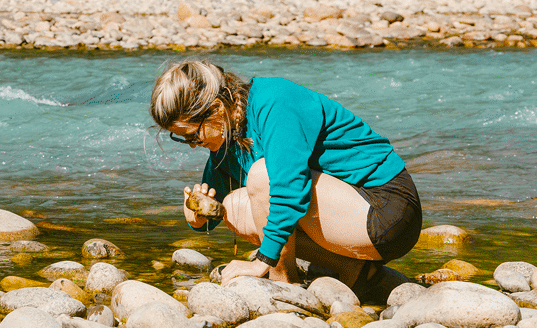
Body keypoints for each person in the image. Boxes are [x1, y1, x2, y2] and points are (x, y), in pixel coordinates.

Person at [150, 59, 421, 301]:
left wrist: (262, 261)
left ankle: (284, 282)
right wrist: (196, 217)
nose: (192, 145)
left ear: (217, 108)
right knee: (233, 208)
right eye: (181, 138)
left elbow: (289, 188)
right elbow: (217, 206)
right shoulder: (225, 140)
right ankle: (355, 268)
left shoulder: (274, 101)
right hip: (346, 216)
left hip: (386, 209)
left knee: (262, 175)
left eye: (191, 135)